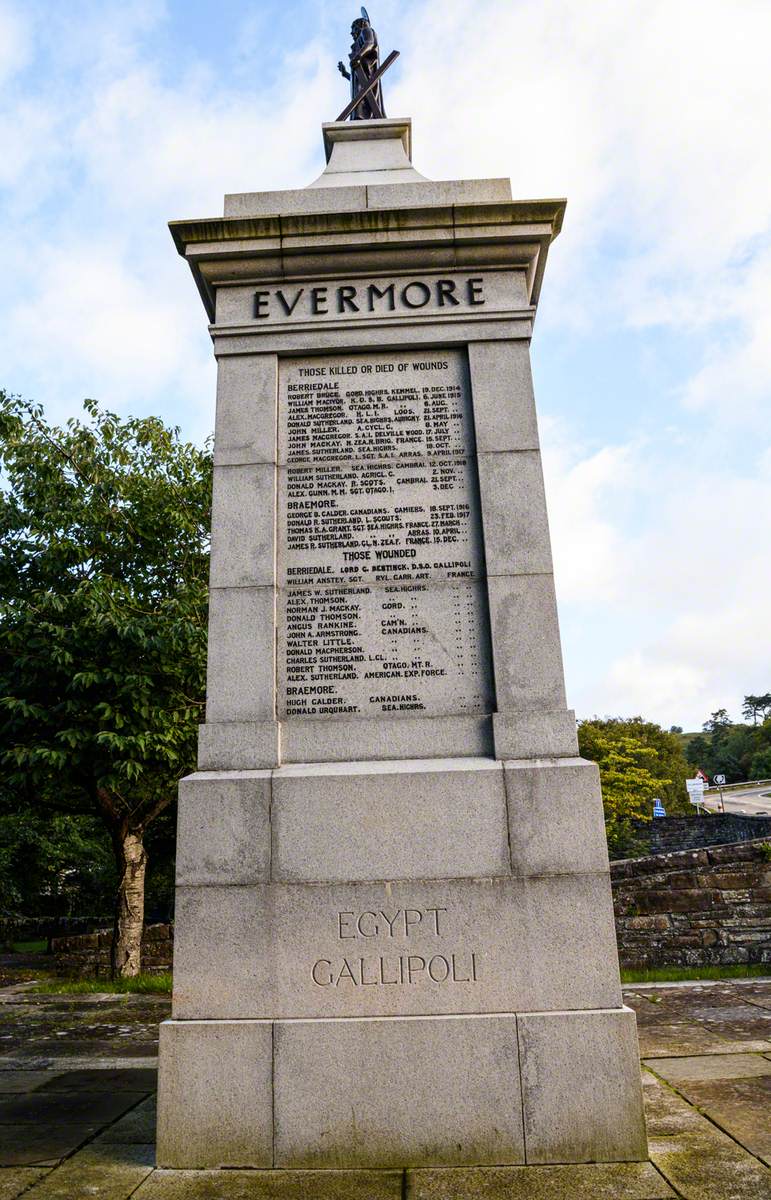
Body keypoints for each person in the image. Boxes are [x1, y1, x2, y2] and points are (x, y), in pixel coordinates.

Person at [337, 9, 385, 120]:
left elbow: (370, 43)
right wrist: (345, 74)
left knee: (365, 108)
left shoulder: (366, 30)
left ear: (362, 24)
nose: (352, 33)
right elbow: (358, 78)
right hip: (364, 83)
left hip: (369, 78)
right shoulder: (357, 45)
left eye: (353, 28)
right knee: (361, 105)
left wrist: (358, 56)